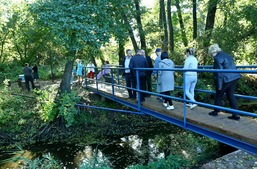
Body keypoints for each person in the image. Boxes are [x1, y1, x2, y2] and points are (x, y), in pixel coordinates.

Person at [208, 44, 242, 120]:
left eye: (211, 54)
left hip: (226, 79)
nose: (212, 56)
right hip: (234, 77)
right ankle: (236, 115)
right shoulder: (227, 55)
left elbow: (219, 73)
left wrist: (219, 86)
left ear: (213, 52)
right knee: (230, 95)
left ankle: (215, 111)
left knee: (218, 94)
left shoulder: (217, 58)